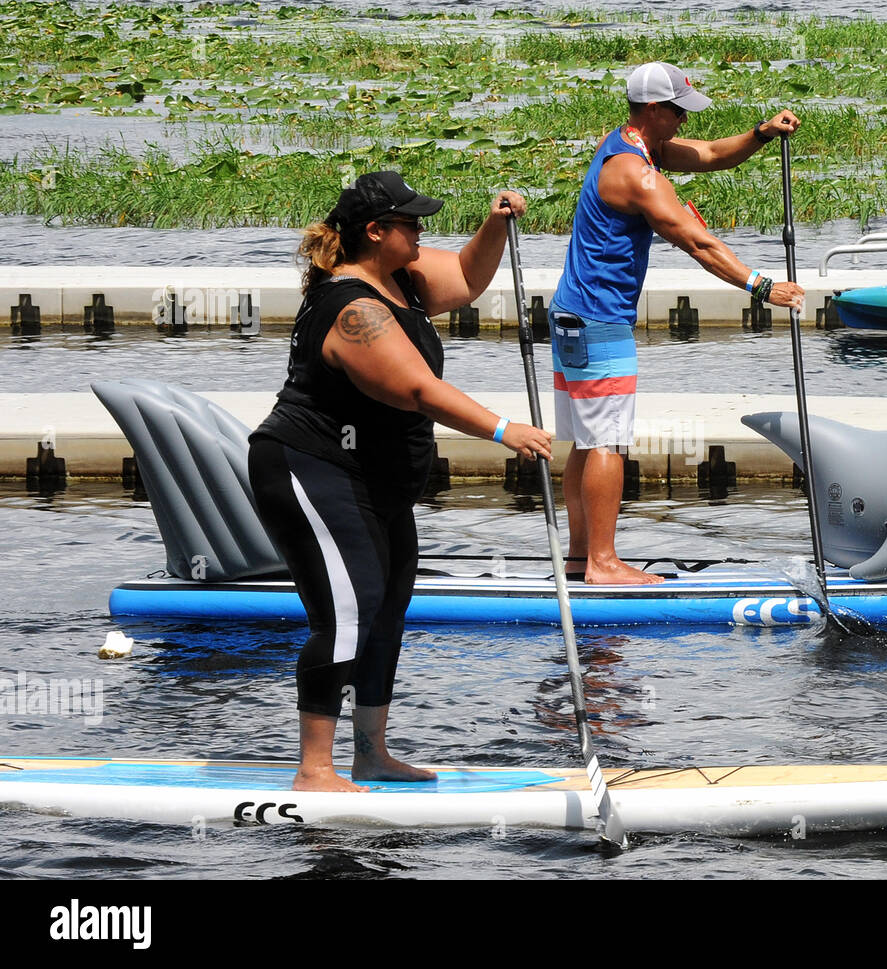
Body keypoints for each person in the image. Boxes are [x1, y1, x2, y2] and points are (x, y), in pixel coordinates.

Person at [248, 171, 553, 793]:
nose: (421, 230)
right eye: (410, 223)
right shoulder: (355, 309)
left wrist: (493, 224)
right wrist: (502, 430)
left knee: (387, 614)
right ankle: (314, 771)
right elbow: (417, 389)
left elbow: (467, 279)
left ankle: (371, 756)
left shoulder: (403, 279)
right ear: (375, 231)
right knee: (347, 615)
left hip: (374, 481)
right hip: (311, 469)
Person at [551, 61, 805, 585]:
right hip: (599, 320)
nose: (684, 121)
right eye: (677, 111)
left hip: (572, 314)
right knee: (608, 443)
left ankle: (580, 560)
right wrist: (763, 287)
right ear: (651, 110)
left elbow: (710, 155)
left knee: (586, 440)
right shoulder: (639, 176)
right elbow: (698, 243)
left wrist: (760, 133)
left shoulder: (625, 143)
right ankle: (602, 565)